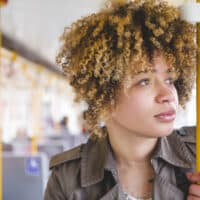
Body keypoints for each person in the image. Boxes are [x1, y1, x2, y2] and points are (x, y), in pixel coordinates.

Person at [44, 0, 200, 199]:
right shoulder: (67, 179)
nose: (168, 95)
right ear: (105, 96)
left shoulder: (198, 154)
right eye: (144, 81)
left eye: (169, 80)